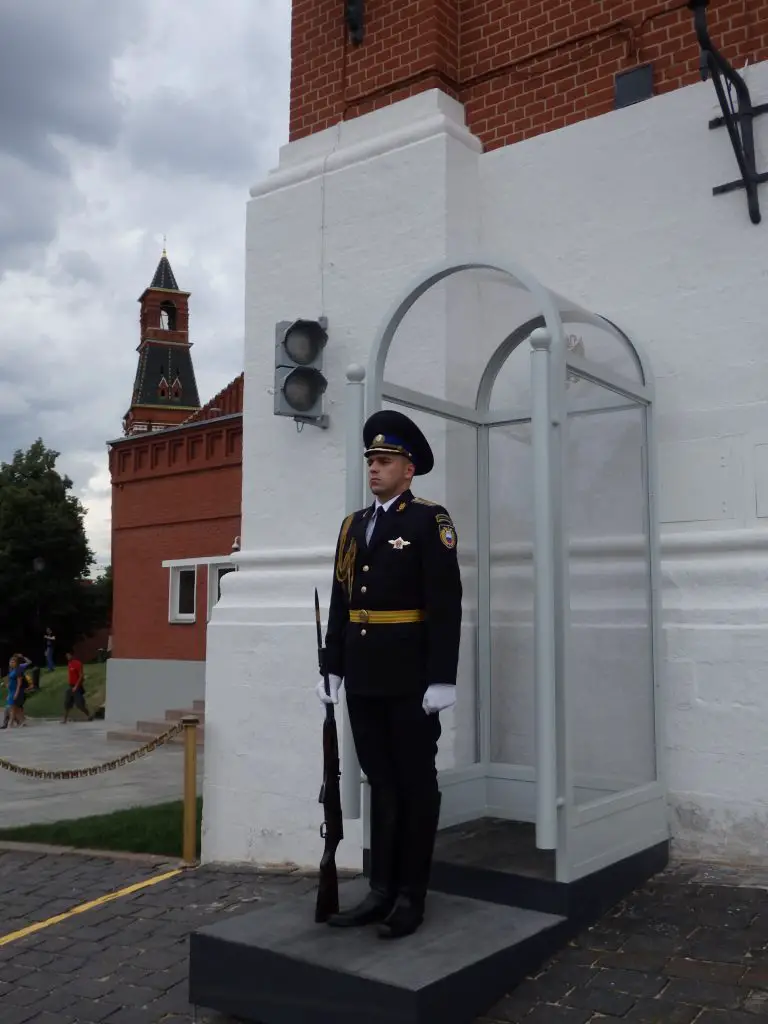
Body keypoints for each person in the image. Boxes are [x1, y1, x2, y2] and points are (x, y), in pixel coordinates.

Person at [316, 409, 462, 939]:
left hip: (410, 678)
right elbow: (340, 601)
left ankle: (410, 895)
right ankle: (379, 890)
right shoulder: (353, 526)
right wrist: (332, 667)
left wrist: (442, 677)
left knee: (415, 783)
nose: (374, 469)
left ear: (409, 469)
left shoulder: (429, 520)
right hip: (364, 675)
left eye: (385, 461)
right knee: (380, 781)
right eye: (371, 461)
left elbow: (446, 605)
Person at [62, 652, 93, 723]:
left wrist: (76, 686)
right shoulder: (69, 664)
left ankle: (89, 715)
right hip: (70, 686)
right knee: (67, 703)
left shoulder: (78, 663)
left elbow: (81, 676)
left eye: (69, 655)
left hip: (77, 687)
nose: (68, 657)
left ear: (72, 655)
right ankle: (64, 720)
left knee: (79, 704)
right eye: (66, 656)